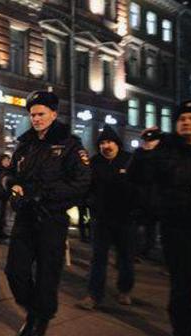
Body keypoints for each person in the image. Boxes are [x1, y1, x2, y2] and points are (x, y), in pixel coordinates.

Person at [4, 91, 91, 336]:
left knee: (47, 273)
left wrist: (43, 194)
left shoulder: (69, 144)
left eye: (41, 114)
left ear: (54, 114)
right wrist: (12, 186)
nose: (36, 118)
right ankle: (35, 309)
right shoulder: (25, 144)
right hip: (25, 217)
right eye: (32, 114)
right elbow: (10, 174)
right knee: (15, 272)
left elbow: (82, 182)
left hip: (51, 218)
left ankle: (39, 319)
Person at [130, 98, 191, 336]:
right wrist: (144, 151)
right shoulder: (165, 150)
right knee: (180, 290)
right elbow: (138, 177)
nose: (186, 122)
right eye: (182, 119)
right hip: (176, 230)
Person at [76, 126, 135, 311]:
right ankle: (93, 295)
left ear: (116, 143)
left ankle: (124, 290)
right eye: (102, 143)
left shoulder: (129, 160)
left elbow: (139, 187)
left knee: (125, 257)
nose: (105, 146)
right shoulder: (95, 162)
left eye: (109, 142)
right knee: (98, 258)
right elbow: (86, 186)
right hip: (100, 219)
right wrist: (90, 203)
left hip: (125, 219)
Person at [0, 154, 12, 238]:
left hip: (6, 196)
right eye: (6, 160)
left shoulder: (9, 170)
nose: (7, 162)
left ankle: (2, 231)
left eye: (8, 160)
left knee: (3, 215)